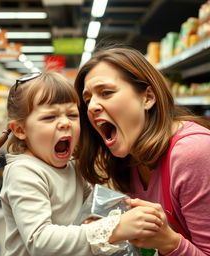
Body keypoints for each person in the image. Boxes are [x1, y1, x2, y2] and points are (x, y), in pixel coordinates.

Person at [0, 70, 163, 256]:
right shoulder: (24, 172)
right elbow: (40, 241)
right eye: (49, 117)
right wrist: (114, 228)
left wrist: (126, 210)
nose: (64, 123)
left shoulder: (71, 166)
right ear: (20, 129)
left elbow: (91, 210)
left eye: (72, 115)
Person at [74, 47, 210, 256]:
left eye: (106, 92)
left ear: (147, 97)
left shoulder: (193, 152)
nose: (91, 106)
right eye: (87, 99)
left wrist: (169, 242)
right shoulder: (132, 156)